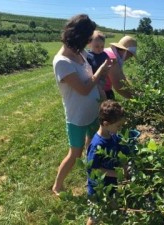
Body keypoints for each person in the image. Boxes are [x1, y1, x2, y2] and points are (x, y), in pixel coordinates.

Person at [52, 14, 114, 195]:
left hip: (92, 111)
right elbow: (84, 89)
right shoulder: (62, 62)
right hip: (77, 117)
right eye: (87, 38)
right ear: (78, 37)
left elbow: (97, 52)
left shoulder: (80, 53)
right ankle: (57, 186)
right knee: (74, 154)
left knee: (92, 144)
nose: (89, 42)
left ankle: (92, 171)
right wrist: (100, 72)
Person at [86, 100, 130, 225]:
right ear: (106, 123)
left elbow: (120, 150)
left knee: (114, 208)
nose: (120, 128)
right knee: (95, 216)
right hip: (98, 189)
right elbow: (94, 169)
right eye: (118, 126)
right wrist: (117, 173)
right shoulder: (97, 145)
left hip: (111, 185)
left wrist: (125, 164)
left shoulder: (112, 135)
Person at [87, 30, 109, 100]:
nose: (100, 49)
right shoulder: (88, 55)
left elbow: (108, 64)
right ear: (89, 44)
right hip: (93, 80)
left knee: (101, 91)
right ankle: (104, 103)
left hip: (102, 79)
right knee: (101, 94)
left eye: (102, 47)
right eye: (97, 46)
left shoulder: (104, 54)